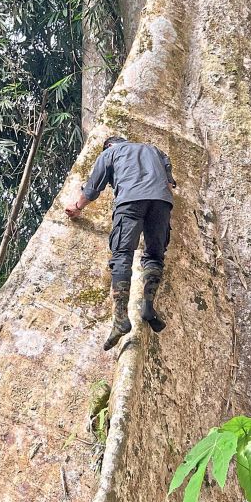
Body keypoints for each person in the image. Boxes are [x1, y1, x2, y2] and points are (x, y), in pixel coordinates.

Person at [65, 135, 176, 350]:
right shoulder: (153, 149)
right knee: (154, 256)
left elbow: (92, 188)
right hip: (162, 202)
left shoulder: (110, 152)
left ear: (109, 145)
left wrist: (77, 207)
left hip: (130, 201)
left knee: (122, 254)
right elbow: (170, 180)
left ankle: (120, 318)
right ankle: (148, 307)